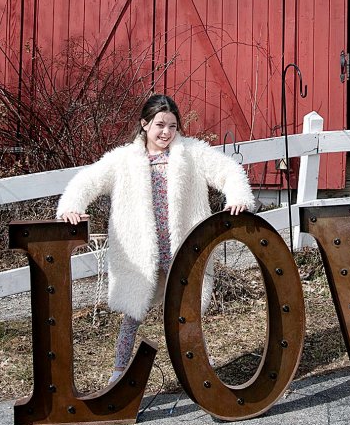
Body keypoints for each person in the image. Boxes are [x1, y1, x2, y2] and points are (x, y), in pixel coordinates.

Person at [56, 93, 256, 382]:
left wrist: (237, 197)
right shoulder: (124, 160)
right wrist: (72, 206)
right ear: (145, 124)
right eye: (160, 125)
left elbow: (229, 171)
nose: (166, 132)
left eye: (172, 126)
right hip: (142, 253)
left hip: (183, 248)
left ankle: (201, 369)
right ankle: (118, 374)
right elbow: (88, 181)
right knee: (132, 315)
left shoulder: (192, 154)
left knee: (188, 313)